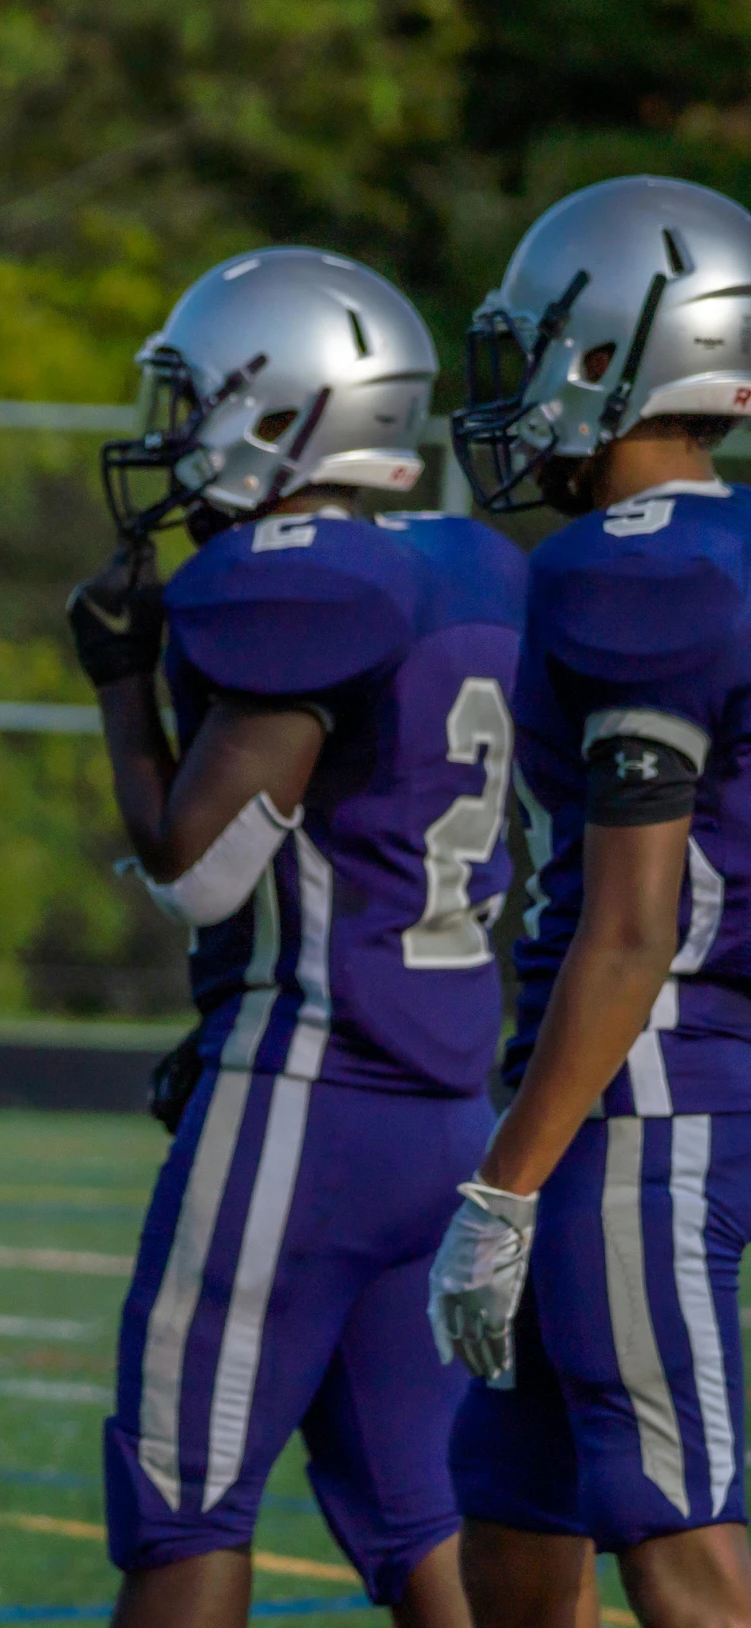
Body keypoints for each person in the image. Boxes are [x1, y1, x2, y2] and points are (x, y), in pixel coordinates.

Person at [70, 247, 525, 1628]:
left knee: (182, 1500)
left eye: (190, 399)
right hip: (446, 1106)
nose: (165, 434)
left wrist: (117, 683)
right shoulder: (474, 566)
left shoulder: (295, 583)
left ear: (279, 417)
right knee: (415, 1514)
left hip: (303, 1097)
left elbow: (197, 871)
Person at [432, 175, 751, 1628]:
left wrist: (504, 1183)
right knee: (509, 1504)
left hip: (646, 1095)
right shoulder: (715, 553)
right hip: (665, 1076)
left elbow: (628, 929)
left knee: (673, 1538)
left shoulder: (632, 575)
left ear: (612, 354)